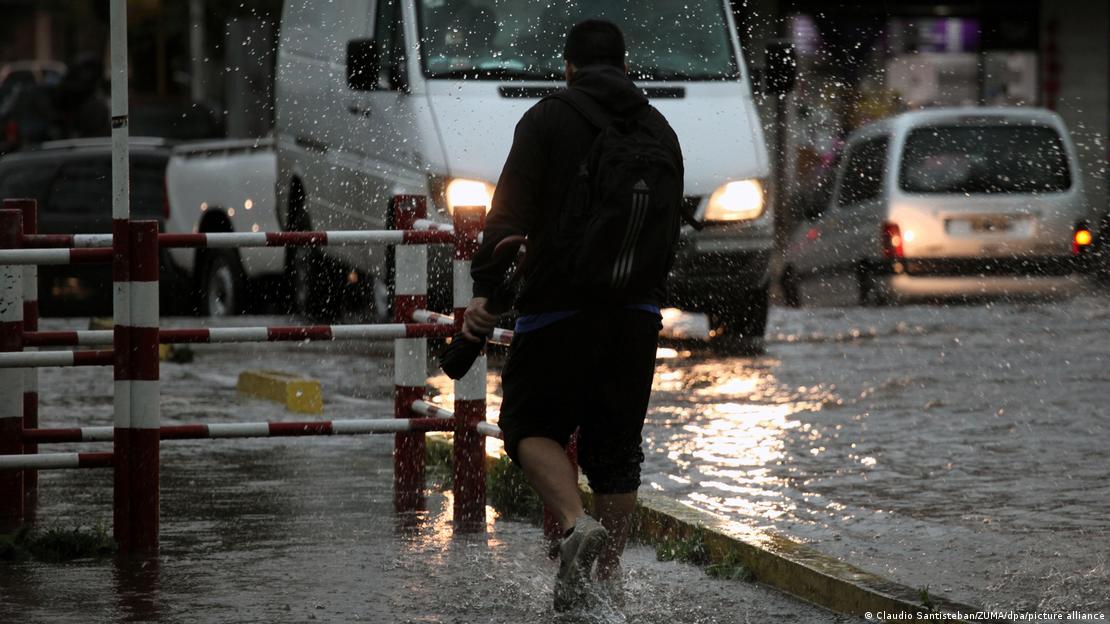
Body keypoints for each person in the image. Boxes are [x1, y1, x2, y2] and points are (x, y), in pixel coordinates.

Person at [462, 19, 683, 611]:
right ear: (625, 63)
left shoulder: (546, 119)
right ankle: (604, 584)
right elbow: (669, 233)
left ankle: (575, 523)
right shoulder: (658, 128)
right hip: (636, 313)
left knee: (529, 425)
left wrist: (486, 291)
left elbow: (505, 217)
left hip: (559, 307)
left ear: (568, 65)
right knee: (617, 450)